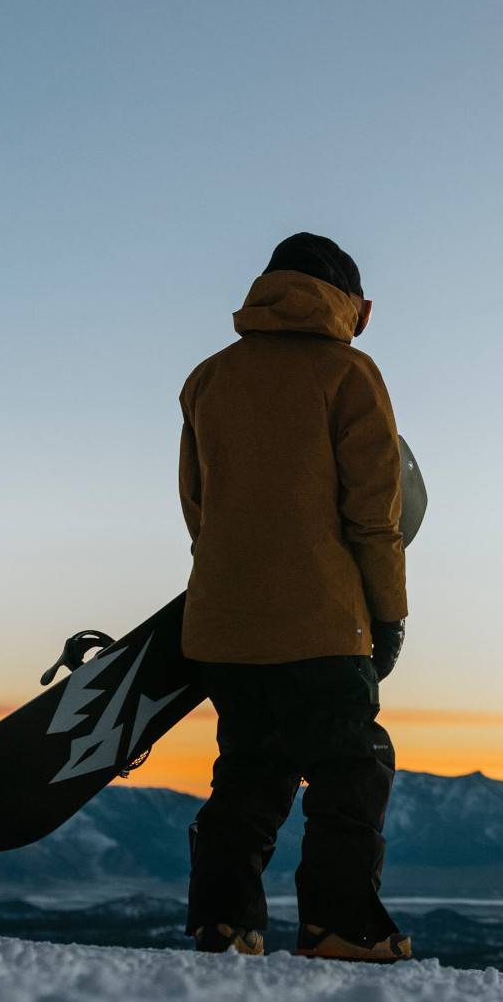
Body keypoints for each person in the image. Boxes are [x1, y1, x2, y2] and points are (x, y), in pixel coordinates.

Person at [176, 232, 410, 961]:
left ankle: (224, 921)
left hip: (223, 623)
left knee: (249, 769)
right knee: (351, 768)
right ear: (349, 304)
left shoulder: (209, 378)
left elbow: (198, 505)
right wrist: (389, 613)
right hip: (321, 623)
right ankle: (340, 923)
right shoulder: (349, 373)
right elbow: (375, 513)